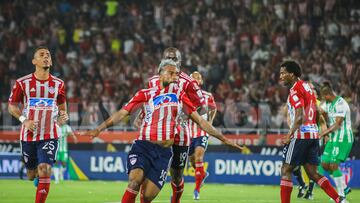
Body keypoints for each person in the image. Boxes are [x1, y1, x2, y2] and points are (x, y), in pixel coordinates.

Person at [83, 59, 242, 203]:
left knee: (147, 197)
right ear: (160, 74)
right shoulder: (145, 94)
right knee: (134, 181)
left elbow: (200, 121)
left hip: (164, 153)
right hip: (143, 147)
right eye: (171, 73)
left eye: (176, 74)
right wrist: (99, 129)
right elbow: (122, 113)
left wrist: (223, 138)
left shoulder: (180, 96)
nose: (175, 77)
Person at [139, 47, 207, 203]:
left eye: (174, 58)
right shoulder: (153, 80)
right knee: (144, 173)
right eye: (168, 58)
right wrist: (143, 115)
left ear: (180, 62)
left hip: (180, 135)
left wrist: (183, 115)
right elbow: (149, 102)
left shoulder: (188, 82)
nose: (171, 61)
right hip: (156, 132)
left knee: (176, 177)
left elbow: (202, 107)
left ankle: (175, 200)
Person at [8, 46, 68, 203]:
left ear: (52, 61)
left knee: (45, 169)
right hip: (28, 135)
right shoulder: (23, 83)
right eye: (42, 55)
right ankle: (37, 179)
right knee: (31, 174)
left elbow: (62, 106)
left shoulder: (59, 84)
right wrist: (25, 120)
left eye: (48, 55)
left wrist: (63, 115)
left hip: (49, 135)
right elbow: (12, 106)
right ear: (34, 61)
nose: (46, 56)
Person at [279, 60, 343, 203]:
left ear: (292, 74)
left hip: (300, 135)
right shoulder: (308, 87)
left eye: (283, 73)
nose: (281, 76)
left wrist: (289, 135)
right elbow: (317, 113)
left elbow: (300, 116)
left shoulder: (295, 89)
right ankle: (340, 200)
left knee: (286, 170)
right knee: (313, 173)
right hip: (313, 135)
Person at [318, 81, 354, 201]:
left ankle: (341, 197)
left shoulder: (340, 103)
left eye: (324, 98)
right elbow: (318, 111)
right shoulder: (327, 103)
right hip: (333, 137)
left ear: (327, 95)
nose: (323, 100)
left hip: (343, 136)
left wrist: (323, 133)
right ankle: (343, 187)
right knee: (325, 164)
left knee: (334, 165)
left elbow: (338, 124)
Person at [188, 71, 217, 200]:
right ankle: (203, 174)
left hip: (201, 132)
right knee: (192, 160)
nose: (196, 79)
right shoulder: (184, 95)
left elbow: (213, 108)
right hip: (188, 133)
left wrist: (210, 121)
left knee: (199, 158)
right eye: (193, 77)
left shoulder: (207, 95)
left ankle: (196, 190)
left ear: (201, 81)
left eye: (198, 77)